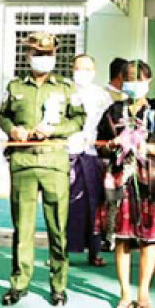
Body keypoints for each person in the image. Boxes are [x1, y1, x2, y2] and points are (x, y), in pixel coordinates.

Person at [0, 32, 86, 307]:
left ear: (55, 56)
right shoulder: (15, 86)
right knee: (22, 228)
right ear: (28, 55)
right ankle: (19, 283)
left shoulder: (66, 87)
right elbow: (3, 115)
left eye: (47, 54)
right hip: (23, 162)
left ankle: (58, 285)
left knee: (57, 228)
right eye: (38, 54)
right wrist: (12, 129)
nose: (43, 58)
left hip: (53, 163)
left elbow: (79, 119)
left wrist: (55, 130)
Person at [96, 60, 155, 308]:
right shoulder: (113, 112)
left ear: (148, 82)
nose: (134, 84)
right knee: (122, 238)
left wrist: (146, 147)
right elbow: (99, 145)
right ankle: (125, 293)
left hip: (150, 180)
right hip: (120, 179)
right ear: (122, 81)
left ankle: (143, 293)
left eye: (139, 79)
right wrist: (112, 145)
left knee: (148, 240)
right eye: (129, 79)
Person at [67, 54, 112, 266]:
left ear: (94, 72)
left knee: (95, 204)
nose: (82, 73)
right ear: (72, 69)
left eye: (87, 69)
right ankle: (61, 252)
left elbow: (108, 126)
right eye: (79, 68)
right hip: (68, 152)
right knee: (66, 204)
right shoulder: (64, 92)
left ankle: (94, 251)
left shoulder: (102, 96)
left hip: (93, 154)